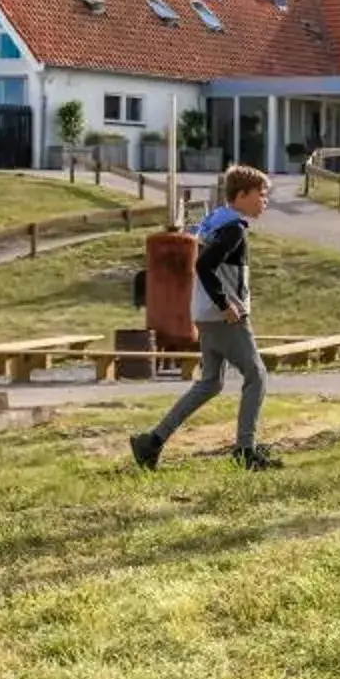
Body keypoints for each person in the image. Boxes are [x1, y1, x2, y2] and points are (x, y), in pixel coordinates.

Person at [128, 163, 281, 471]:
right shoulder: (233, 229)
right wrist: (226, 304)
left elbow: (204, 265)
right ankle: (245, 451)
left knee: (210, 383)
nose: (265, 201)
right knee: (257, 376)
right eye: (261, 195)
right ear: (241, 195)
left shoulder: (216, 221)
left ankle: (152, 442)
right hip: (224, 317)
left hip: (203, 315)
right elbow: (203, 266)